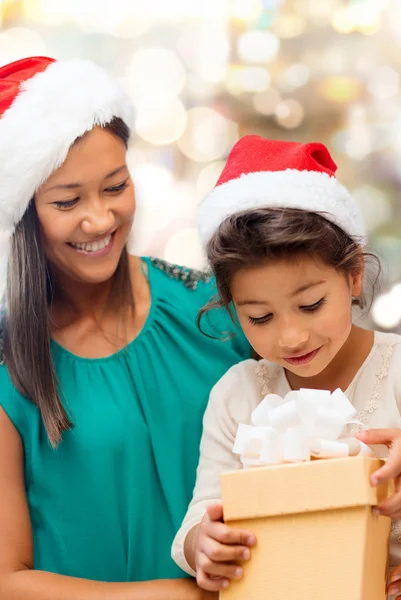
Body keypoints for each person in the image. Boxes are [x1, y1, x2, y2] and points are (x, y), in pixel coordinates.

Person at [0, 56, 251, 599]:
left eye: (115, 187)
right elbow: (7, 579)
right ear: (21, 213)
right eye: (67, 201)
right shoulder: (7, 368)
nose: (100, 219)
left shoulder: (213, 308)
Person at [171, 135, 401, 598]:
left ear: (353, 275)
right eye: (260, 317)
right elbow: (204, 512)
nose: (291, 337)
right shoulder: (238, 395)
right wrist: (203, 545)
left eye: (311, 305)